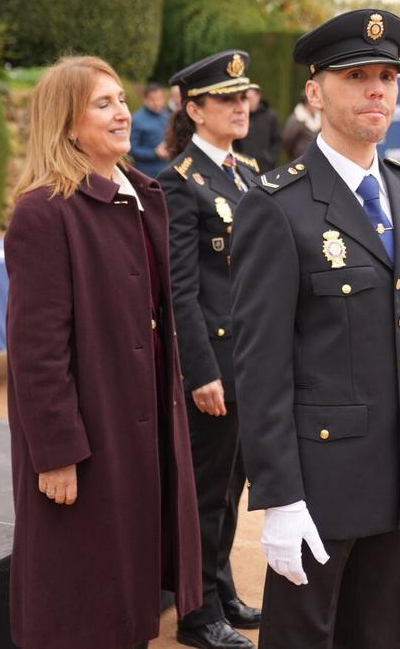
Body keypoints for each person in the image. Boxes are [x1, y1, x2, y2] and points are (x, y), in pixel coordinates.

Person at [230, 10, 400, 648]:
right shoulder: (278, 204)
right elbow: (260, 364)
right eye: (357, 75)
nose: (376, 91)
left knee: (378, 636)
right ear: (315, 92)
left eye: (387, 76)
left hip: (399, 472)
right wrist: (278, 496)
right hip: (320, 482)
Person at [3, 56, 201, 649]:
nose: (122, 113)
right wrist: (57, 452)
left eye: (121, 100)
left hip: (140, 422)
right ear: (66, 123)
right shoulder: (44, 212)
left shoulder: (141, 194)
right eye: (103, 104)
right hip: (90, 434)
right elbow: (36, 350)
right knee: (81, 598)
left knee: (129, 588)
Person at [158, 50, 263, 649]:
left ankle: (219, 587)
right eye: (225, 99)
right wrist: (199, 370)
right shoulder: (180, 182)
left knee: (231, 484)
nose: (239, 106)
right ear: (194, 109)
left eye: (242, 96)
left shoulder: (246, 173)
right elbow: (181, 289)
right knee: (204, 488)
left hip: (249, 355)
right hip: (214, 363)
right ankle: (197, 613)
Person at [232, 87, 282, 172]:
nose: (249, 101)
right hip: (244, 167)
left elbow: (277, 140)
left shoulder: (270, 115)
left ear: (258, 97)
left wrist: (270, 158)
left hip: (265, 168)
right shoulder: (241, 116)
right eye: (246, 98)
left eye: (251, 98)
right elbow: (234, 140)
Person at [129, 81, 171, 177]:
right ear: (145, 99)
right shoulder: (136, 119)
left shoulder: (166, 115)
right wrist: (155, 153)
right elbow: (131, 149)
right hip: (146, 175)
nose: (157, 103)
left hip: (167, 170)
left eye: (160, 99)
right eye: (153, 100)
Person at [281, 92, 321, 160]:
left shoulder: (320, 117)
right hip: (300, 160)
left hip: (317, 159)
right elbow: (287, 140)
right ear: (307, 103)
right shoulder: (296, 119)